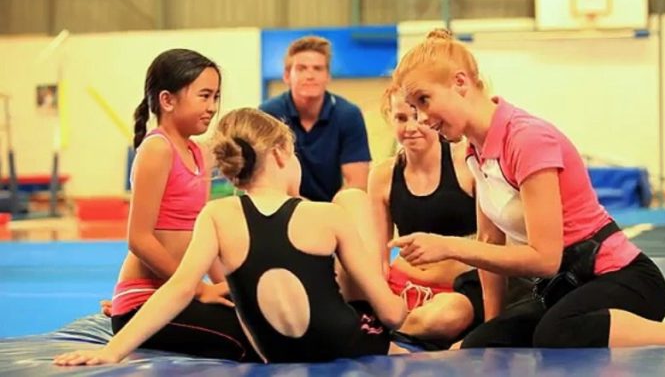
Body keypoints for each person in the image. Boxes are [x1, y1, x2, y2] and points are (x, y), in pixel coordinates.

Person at [388, 29, 665, 349]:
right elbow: (490, 244)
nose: (422, 119)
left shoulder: (526, 139)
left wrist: (448, 247)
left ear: (460, 83)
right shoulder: (475, 152)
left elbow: (544, 258)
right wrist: (491, 328)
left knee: (557, 332)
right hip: (566, 288)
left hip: (625, 281)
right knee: (478, 345)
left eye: (424, 100)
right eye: (414, 108)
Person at [54, 108, 408, 366]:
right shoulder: (326, 214)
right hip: (346, 344)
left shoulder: (217, 215)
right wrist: (397, 297)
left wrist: (112, 350)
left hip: (276, 352)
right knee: (353, 198)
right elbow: (392, 317)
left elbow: (178, 290)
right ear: (282, 153)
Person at [101, 49, 257, 362]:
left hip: (177, 294)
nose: (212, 107)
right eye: (204, 96)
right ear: (168, 101)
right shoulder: (158, 149)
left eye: (216, 97)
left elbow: (203, 238)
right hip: (145, 301)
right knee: (251, 340)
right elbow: (139, 238)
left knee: (263, 322)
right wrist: (199, 290)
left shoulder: (197, 152)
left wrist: (226, 287)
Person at [369, 86, 476, 344]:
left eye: (418, 117)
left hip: (455, 290)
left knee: (449, 315)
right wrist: (379, 294)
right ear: (390, 118)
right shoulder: (383, 175)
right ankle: (386, 325)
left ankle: (381, 333)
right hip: (402, 286)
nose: (411, 127)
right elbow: (379, 254)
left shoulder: (465, 162)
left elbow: (493, 242)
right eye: (401, 118)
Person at [260, 36, 371, 201]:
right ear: (286, 75)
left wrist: (325, 214)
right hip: (282, 207)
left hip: (333, 210)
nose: (310, 75)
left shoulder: (349, 115)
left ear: (328, 76)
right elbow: (263, 179)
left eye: (317, 68)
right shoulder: (268, 114)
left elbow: (357, 183)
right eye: (301, 68)